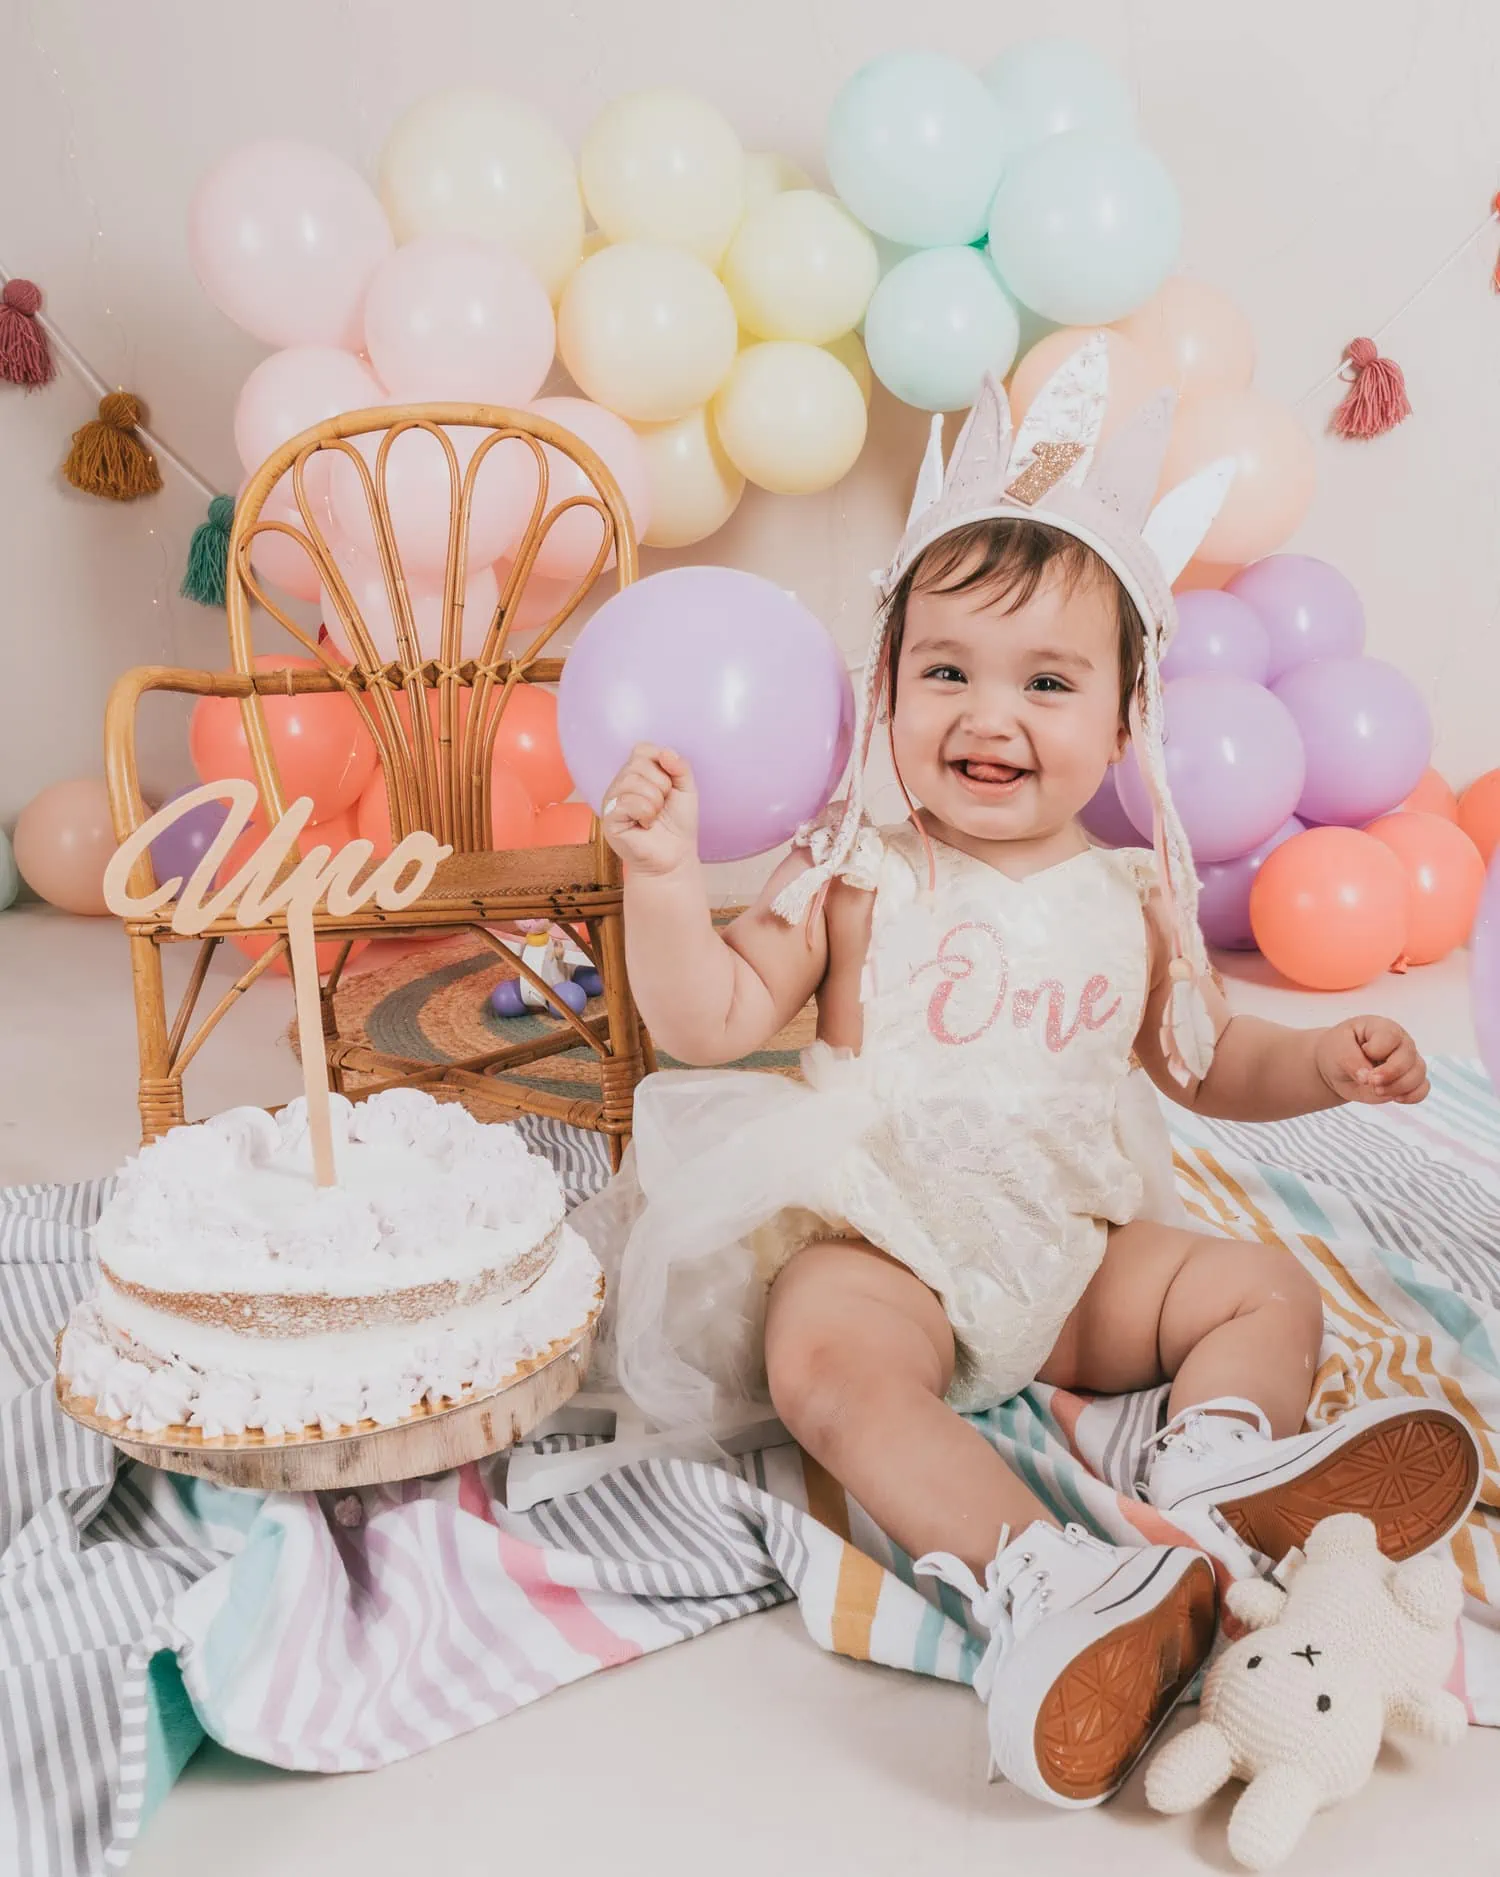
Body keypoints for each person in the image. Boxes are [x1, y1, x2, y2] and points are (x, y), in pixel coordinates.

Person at [580, 340, 1481, 1810]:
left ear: (1124, 723)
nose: (989, 717)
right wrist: (666, 882)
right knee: (826, 1359)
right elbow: (707, 1014)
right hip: (887, 1237)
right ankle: (1053, 1578)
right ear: (887, 691)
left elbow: (1207, 1060)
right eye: (947, 671)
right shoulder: (856, 865)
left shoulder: (1133, 895)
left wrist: (1318, 1060)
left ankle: (1213, 1463)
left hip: (1063, 1252)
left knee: (1263, 1288)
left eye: (1047, 682)